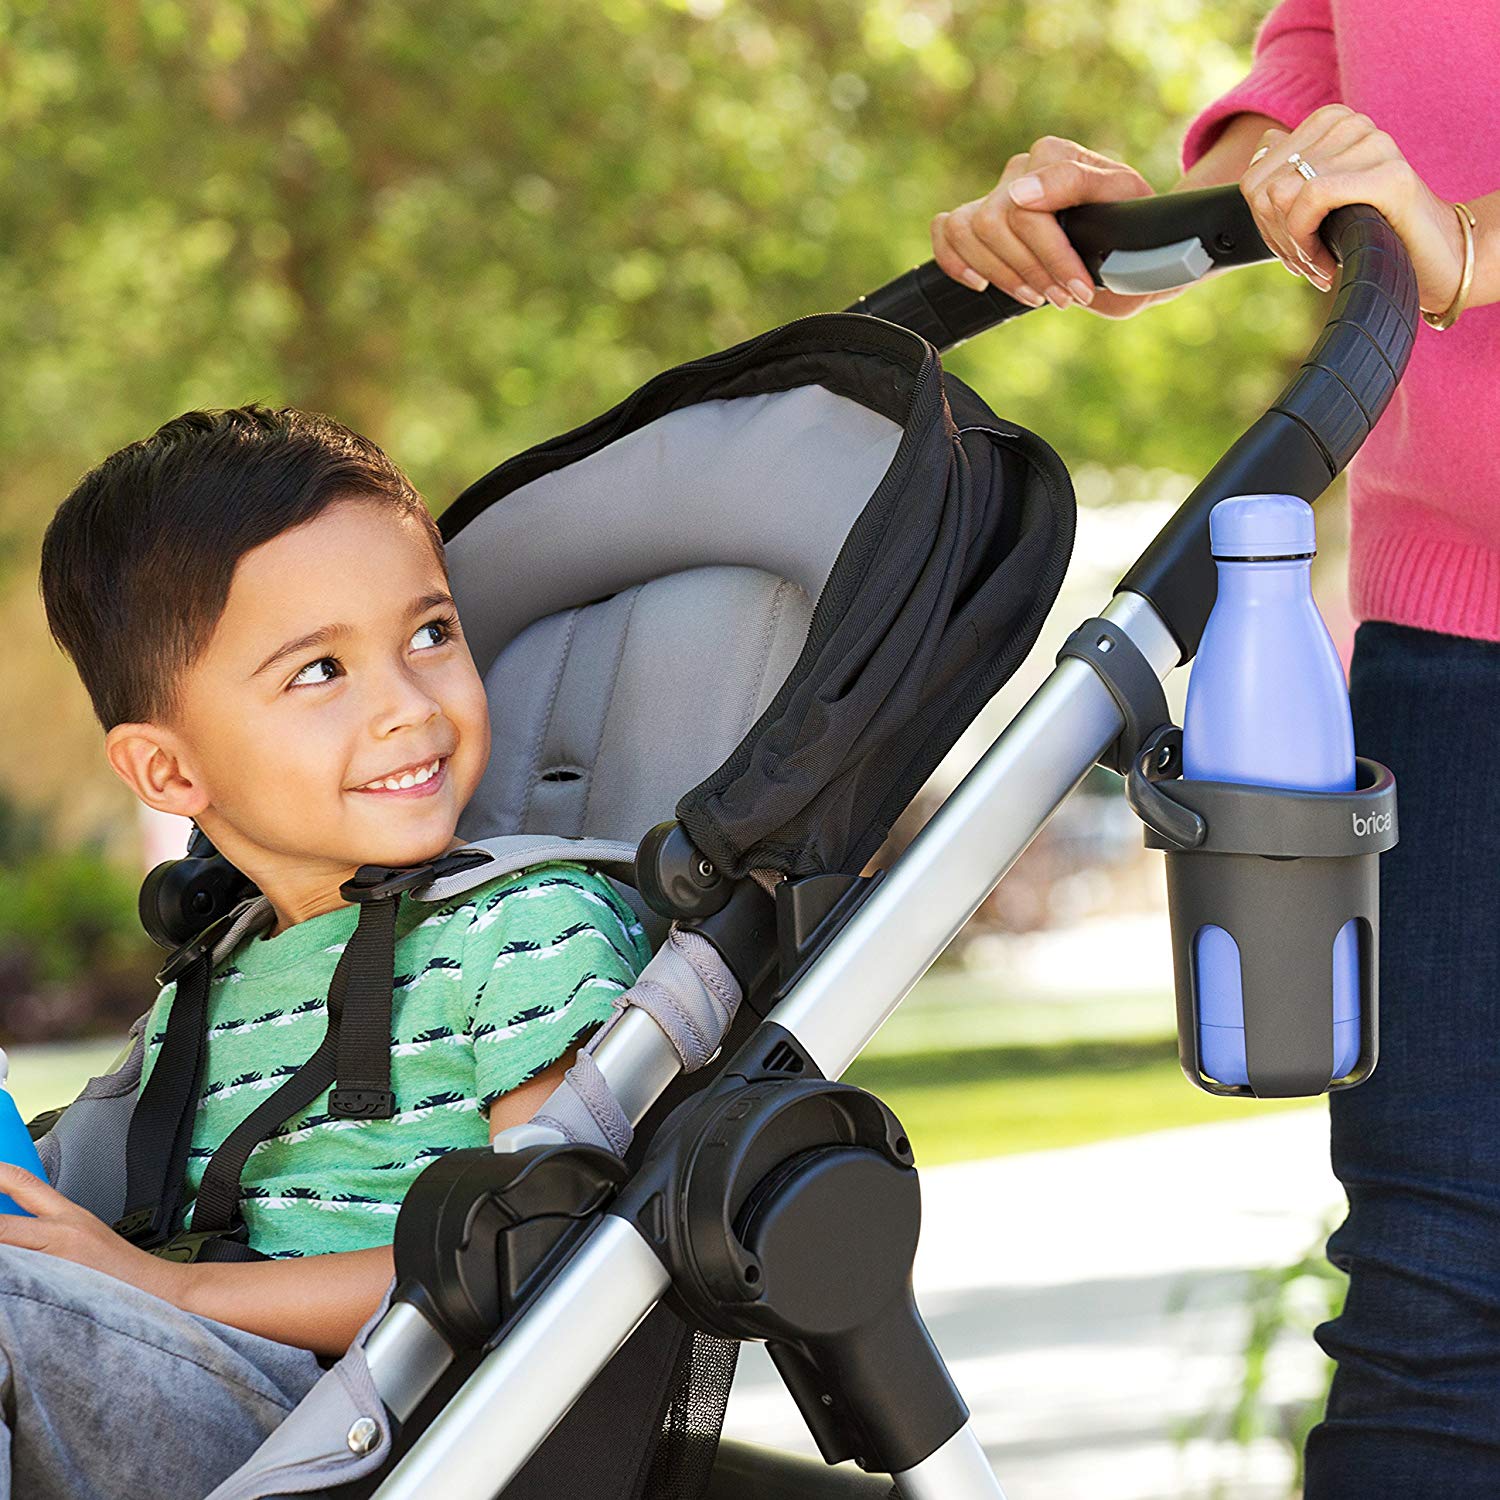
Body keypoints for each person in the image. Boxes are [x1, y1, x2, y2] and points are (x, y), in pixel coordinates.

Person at [932, 4, 1499, 1493]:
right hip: (1453, 630)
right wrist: (1181, 223)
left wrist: (1466, 243)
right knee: (1431, 1299)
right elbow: (1328, 45)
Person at [0, 404, 651, 1500]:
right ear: (169, 773)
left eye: (430, 634)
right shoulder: (217, 979)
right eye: (319, 671)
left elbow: (534, 1248)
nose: (408, 706)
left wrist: (168, 1289)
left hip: (342, 1427)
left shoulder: (525, 930)